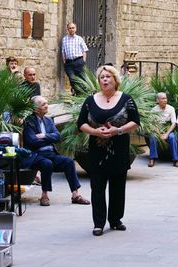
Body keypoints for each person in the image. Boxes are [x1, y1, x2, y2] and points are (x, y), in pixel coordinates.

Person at [77, 65, 140, 236]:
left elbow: (135, 121)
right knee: (97, 187)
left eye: (108, 77)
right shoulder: (90, 100)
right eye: (102, 77)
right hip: (97, 149)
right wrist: (95, 131)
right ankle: (98, 223)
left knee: (117, 186)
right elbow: (81, 123)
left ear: (115, 80)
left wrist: (118, 130)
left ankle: (115, 219)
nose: (104, 80)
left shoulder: (126, 99)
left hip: (118, 148)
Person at [22, 95, 90, 207]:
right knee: (46, 163)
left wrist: (44, 136)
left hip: (51, 154)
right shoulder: (29, 121)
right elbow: (32, 141)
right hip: (37, 155)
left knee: (68, 162)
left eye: (46, 103)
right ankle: (44, 195)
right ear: (35, 109)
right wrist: (49, 138)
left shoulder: (49, 120)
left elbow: (58, 137)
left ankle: (75, 194)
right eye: (43, 104)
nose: (47, 106)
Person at [148, 92, 178, 167]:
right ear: (158, 100)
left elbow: (174, 123)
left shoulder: (171, 108)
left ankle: (176, 159)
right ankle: (152, 158)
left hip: (168, 129)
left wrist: (166, 134)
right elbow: (152, 124)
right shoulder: (153, 110)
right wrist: (159, 133)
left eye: (165, 98)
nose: (165, 100)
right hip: (157, 129)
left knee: (172, 137)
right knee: (152, 137)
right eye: (163, 98)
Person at [61, 22, 89, 95]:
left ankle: (83, 94)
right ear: (67, 29)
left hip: (79, 61)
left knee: (81, 79)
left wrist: (83, 61)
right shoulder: (64, 39)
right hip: (69, 63)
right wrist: (64, 62)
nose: (71, 29)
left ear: (75, 29)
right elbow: (63, 51)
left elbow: (84, 50)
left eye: (73, 28)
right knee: (72, 78)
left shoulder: (79, 39)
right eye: (70, 28)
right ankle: (77, 92)